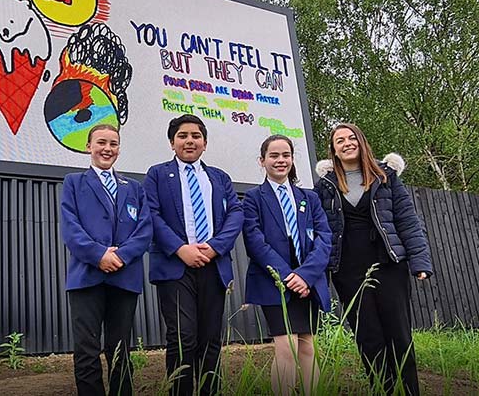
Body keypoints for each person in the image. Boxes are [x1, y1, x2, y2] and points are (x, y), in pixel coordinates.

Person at [314, 123, 433, 395]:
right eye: (339, 140)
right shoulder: (326, 186)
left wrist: (420, 262)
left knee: (399, 334)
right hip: (348, 269)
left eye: (351, 137)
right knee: (368, 336)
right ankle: (383, 389)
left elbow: (407, 220)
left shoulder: (385, 176)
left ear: (361, 141)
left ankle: (410, 390)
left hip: (389, 263)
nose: (346, 143)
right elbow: (321, 229)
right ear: (333, 149)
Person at [144, 114, 244, 396]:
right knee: (183, 337)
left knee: (211, 339)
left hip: (214, 266)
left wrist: (215, 247)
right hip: (175, 267)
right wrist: (180, 249)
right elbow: (151, 214)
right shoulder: (158, 174)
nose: (190, 140)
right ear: (172, 143)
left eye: (196, 136)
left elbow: (235, 214)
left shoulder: (219, 177)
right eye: (183, 136)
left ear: (205, 143)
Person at [60, 123, 153, 396]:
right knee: (87, 349)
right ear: (89, 146)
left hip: (124, 278)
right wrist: (99, 255)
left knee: (121, 348)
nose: (107, 148)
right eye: (101, 142)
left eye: (113, 143)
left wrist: (121, 256)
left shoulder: (134, 188)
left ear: (119, 149)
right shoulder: (74, 183)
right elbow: (71, 227)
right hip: (86, 276)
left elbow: (145, 229)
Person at [242, 135, 332, 395]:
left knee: (307, 346)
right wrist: (287, 276)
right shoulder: (253, 199)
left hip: (308, 284)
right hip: (274, 283)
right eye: (274, 155)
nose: (280, 161)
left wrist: (305, 276)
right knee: (286, 347)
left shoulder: (310, 198)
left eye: (286, 155)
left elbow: (324, 238)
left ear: (292, 160)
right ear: (262, 161)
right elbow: (255, 241)